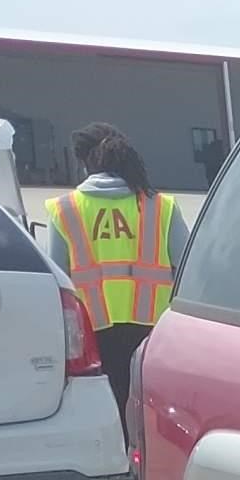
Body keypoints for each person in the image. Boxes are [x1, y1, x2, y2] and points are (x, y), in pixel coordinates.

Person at [45, 123, 188, 412]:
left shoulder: (65, 209)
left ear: (85, 162)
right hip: (154, 329)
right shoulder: (160, 206)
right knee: (150, 408)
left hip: (93, 329)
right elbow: (188, 268)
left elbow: (58, 279)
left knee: (106, 407)